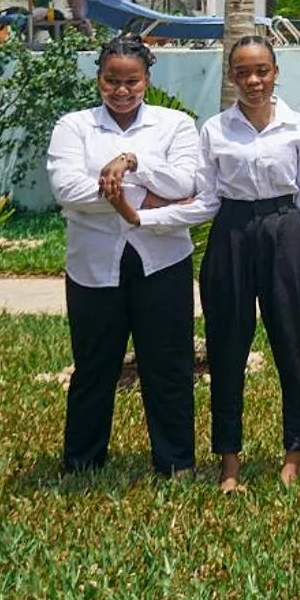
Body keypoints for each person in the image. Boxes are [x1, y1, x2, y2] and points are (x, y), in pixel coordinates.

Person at [142, 36, 300, 492]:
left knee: (294, 348)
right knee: (227, 350)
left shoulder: (299, 127)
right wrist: (151, 218)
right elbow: (206, 199)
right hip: (232, 235)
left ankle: (294, 454)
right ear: (231, 76)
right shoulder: (215, 130)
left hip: (286, 232)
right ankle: (229, 463)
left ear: (276, 71)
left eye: (261, 70)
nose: (253, 80)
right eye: (242, 72)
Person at [44, 34, 203, 476]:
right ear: (98, 79)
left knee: (168, 366)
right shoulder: (73, 126)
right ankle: (82, 461)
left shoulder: (175, 125)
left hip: (163, 263)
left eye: (131, 80)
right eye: (112, 80)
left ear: (146, 80)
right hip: (94, 267)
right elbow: (67, 190)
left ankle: (175, 463)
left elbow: (186, 184)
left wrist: (131, 164)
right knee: (94, 367)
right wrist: (142, 197)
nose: (121, 90)